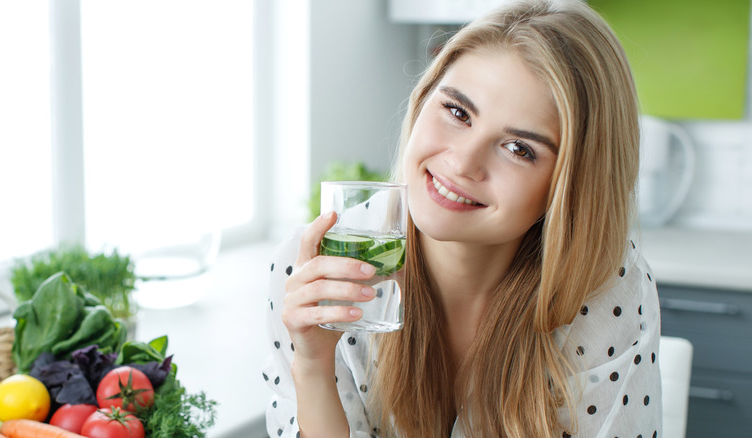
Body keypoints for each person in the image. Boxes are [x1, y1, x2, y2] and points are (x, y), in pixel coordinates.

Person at [262, 0, 662, 436]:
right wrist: (314, 366)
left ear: (572, 186)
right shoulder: (312, 272)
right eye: (457, 112)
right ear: (422, 100)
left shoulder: (605, 287)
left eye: (519, 149)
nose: (463, 163)